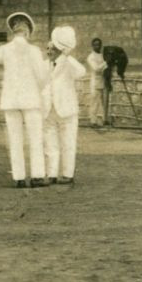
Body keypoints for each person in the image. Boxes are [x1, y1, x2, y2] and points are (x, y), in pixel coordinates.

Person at [0, 11, 50, 187]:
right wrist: (37, 90)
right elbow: (42, 77)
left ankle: (18, 178)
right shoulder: (34, 51)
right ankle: (37, 176)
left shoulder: (3, 50)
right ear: (27, 32)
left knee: (15, 139)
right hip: (30, 98)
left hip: (10, 100)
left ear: (13, 31)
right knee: (35, 138)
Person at [42, 26, 86, 185]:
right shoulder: (43, 65)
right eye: (47, 48)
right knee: (49, 144)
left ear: (60, 50)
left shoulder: (68, 63)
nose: (48, 51)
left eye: (52, 48)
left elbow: (81, 72)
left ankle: (67, 174)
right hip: (48, 110)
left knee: (68, 143)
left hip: (66, 110)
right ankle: (51, 174)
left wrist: (68, 56)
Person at [101, 42, 129, 125]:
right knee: (105, 99)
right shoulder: (106, 65)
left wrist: (120, 72)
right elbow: (105, 73)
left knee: (112, 101)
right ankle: (105, 119)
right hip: (104, 81)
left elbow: (123, 62)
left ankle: (110, 119)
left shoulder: (120, 59)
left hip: (112, 81)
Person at [84, 38, 108, 127]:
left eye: (99, 44)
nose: (97, 46)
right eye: (95, 45)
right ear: (92, 46)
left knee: (103, 103)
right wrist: (106, 63)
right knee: (94, 102)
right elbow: (96, 68)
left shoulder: (102, 56)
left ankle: (104, 120)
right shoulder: (91, 57)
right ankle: (93, 121)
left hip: (103, 81)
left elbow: (106, 68)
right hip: (95, 83)